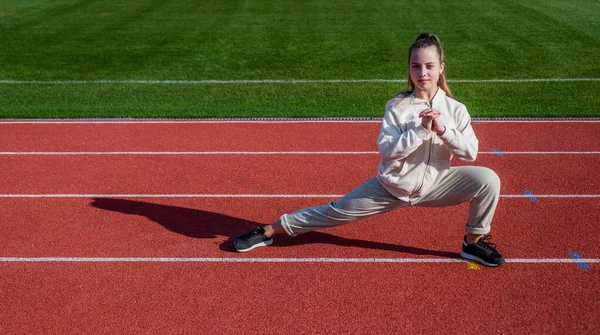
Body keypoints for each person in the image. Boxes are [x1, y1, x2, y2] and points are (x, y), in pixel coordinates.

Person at [232, 32, 505, 267]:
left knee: (487, 179)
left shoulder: (456, 110)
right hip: (392, 188)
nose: (423, 73)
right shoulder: (398, 106)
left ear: (441, 68)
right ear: (409, 69)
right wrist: (421, 131)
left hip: (436, 185)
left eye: (429, 66)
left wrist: (443, 130)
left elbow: (470, 152)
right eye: (416, 66)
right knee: (333, 212)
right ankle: (269, 230)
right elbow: (388, 152)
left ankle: (472, 243)